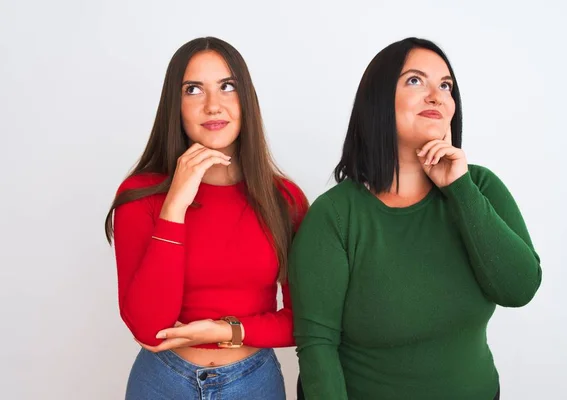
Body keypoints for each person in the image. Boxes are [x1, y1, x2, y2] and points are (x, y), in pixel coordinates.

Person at [289, 37, 542, 400]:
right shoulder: (335, 216)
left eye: (445, 86)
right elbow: (317, 348)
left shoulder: (479, 188)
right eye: (414, 81)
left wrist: (461, 191)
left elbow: (520, 289)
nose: (437, 95)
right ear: (377, 102)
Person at [104, 36, 307, 400]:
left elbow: (305, 321)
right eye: (194, 89)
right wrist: (175, 205)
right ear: (175, 106)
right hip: (161, 383)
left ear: (247, 100)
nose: (213, 105)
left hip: (254, 383)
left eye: (227, 87)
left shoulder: (285, 200)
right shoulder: (141, 195)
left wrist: (225, 331)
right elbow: (149, 329)